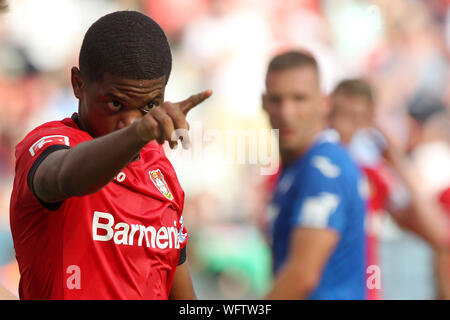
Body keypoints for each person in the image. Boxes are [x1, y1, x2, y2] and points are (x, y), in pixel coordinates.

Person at [9, 10, 211, 300]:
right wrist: (139, 133)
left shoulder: (161, 171)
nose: (130, 122)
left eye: (149, 105)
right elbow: (63, 175)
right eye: (116, 104)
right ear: (78, 84)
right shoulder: (48, 144)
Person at [262, 50, 367, 300]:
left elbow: (302, 276)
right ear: (263, 103)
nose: (287, 112)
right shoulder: (296, 167)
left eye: (300, 99)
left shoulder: (323, 169)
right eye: (277, 100)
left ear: (324, 103)